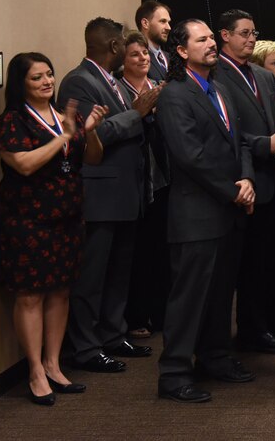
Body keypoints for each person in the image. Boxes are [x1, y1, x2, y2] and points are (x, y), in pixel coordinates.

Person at [0, 53, 107, 405]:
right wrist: (64, 137)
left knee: (60, 291)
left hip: (67, 218)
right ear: (20, 84)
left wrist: (90, 133)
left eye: (49, 74)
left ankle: (54, 366)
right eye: (36, 77)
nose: (46, 82)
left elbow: (93, 157)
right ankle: (35, 371)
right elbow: (23, 164)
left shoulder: (64, 116)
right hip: (25, 220)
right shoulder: (12, 121)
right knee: (30, 295)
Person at [155, 19, 256, 403]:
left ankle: (214, 357)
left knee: (219, 295)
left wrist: (246, 179)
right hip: (196, 215)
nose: (212, 44)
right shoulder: (175, 95)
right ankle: (174, 374)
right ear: (182, 51)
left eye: (213, 38)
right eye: (203, 40)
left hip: (229, 209)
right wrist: (233, 191)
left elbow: (241, 142)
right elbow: (190, 157)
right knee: (189, 298)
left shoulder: (220, 88)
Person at [58, 18, 159, 372]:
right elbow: (89, 136)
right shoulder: (78, 81)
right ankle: (86, 347)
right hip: (99, 193)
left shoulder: (112, 80)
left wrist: (143, 114)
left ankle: (114, 335)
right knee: (93, 275)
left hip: (125, 192)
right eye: (122, 45)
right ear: (115, 47)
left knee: (119, 271)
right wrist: (137, 113)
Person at [214, 9, 275, 354]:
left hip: (274, 179)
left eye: (253, 33)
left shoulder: (263, 76)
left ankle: (271, 325)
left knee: (272, 260)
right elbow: (225, 132)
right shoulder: (215, 75)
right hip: (242, 183)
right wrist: (267, 144)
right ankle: (250, 330)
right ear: (225, 36)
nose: (250, 39)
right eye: (244, 33)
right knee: (247, 267)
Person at [118, 32, 171, 341]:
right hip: (136, 178)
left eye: (145, 54)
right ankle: (138, 315)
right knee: (138, 253)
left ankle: (162, 312)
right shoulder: (120, 91)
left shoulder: (160, 88)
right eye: (135, 54)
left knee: (161, 250)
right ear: (122, 60)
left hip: (163, 176)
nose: (143, 58)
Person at [135, 0, 172, 83]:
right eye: (163, 21)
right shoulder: (136, 59)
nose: (168, 27)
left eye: (168, 22)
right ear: (145, 23)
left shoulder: (171, 58)